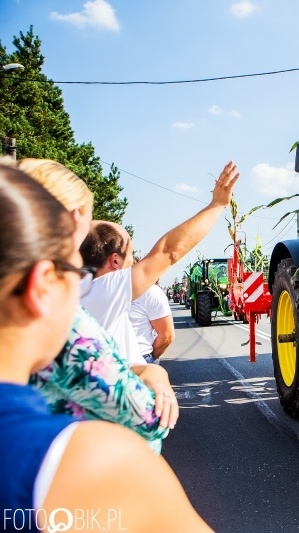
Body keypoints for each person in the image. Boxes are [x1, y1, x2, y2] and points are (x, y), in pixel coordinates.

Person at [0, 162, 211, 531]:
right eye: (75, 273)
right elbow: (145, 418)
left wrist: (147, 368)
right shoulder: (94, 461)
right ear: (42, 287)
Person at [17, 158, 177, 453]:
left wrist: (143, 369)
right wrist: (152, 373)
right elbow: (148, 418)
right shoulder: (61, 320)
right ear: (75, 217)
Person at [80, 161, 239, 364]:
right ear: (115, 260)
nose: (135, 261)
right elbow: (168, 251)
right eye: (131, 254)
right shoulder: (104, 290)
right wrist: (217, 205)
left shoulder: (72, 291)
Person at [130, 275, 175, 365]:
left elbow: (167, 336)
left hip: (139, 360)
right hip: (105, 361)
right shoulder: (103, 287)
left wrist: (149, 358)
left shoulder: (151, 292)